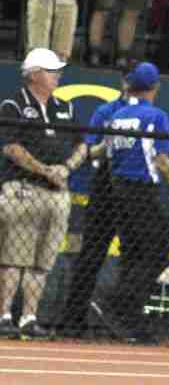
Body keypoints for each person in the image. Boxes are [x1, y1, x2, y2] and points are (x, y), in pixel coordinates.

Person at [87, 62, 169, 343]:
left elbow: (103, 153)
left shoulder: (118, 116)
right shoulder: (156, 116)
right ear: (155, 87)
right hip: (141, 192)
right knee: (158, 251)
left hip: (117, 193)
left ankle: (130, 322)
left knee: (133, 256)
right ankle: (116, 304)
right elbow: (162, 160)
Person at [0, 49, 87, 339]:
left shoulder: (66, 107)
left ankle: (29, 317)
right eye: (51, 71)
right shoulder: (13, 105)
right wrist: (44, 170)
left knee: (43, 261)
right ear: (34, 74)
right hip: (22, 190)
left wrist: (66, 167)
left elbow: (82, 145)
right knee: (13, 256)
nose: (57, 76)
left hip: (57, 194)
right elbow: (11, 148)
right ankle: (3, 316)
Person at [57, 65, 138, 338]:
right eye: (130, 81)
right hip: (106, 188)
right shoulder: (106, 112)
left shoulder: (149, 115)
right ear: (123, 82)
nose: (133, 86)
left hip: (135, 191)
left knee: (137, 257)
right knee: (91, 255)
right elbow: (90, 150)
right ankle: (73, 319)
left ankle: (124, 319)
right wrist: (108, 145)